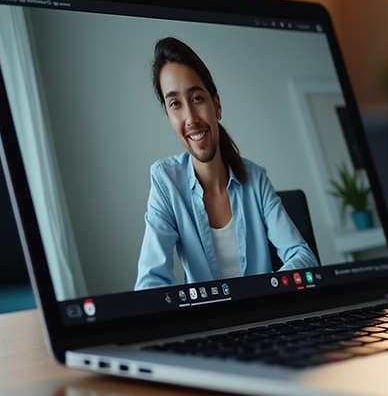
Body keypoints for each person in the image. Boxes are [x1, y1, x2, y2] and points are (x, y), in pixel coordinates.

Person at [135, 37, 317, 290]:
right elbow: (150, 284)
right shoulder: (166, 183)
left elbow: (302, 256)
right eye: (175, 104)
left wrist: (266, 290)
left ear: (216, 104)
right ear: (169, 117)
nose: (190, 119)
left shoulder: (256, 179)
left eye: (197, 98)